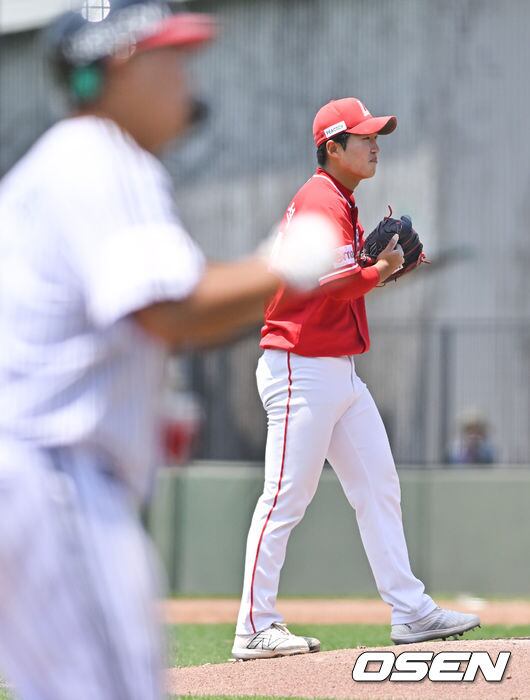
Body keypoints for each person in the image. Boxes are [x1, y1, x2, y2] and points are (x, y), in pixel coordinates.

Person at [0, 2, 339, 698]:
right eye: (171, 57)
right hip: (52, 475)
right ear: (120, 66)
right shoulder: (101, 156)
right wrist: (286, 265)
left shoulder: (60, 164)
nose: (189, 75)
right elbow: (171, 311)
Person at [232, 97, 480, 660]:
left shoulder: (339, 200)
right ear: (333, 147)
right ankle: (254, 625)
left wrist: (381, 270)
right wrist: (384, 267)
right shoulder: (321, 199)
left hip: (337, 370)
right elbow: (336, 284)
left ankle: (411, 610)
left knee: (378, 486)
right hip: (300, 367)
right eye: (364, 137)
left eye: (376, 136)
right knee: (285, 497)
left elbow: (342, 281)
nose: (375, 145)